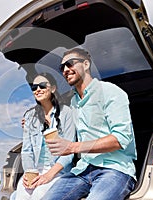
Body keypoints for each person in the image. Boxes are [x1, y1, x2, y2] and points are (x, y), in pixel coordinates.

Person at [43, 48, 137, 200]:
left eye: (70, 64)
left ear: (86, 64)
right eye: (62, 68)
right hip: (82, 170)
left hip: (113, 168)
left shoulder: (110, 91)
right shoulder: (73, 102)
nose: (65, 70)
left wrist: (73, 147)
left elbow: (121, 138)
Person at [13, 72, 75, 200]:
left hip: (58, 172)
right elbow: (26, 150)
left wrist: (48, 175)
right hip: (35, 171)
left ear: (53, 88)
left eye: (42, 86)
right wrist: (29, 173)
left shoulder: (66, 113)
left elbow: (69, 152)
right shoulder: (30, 116)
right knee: (21, 195)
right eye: (34, 88)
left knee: (39, 194)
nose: (38, 90)